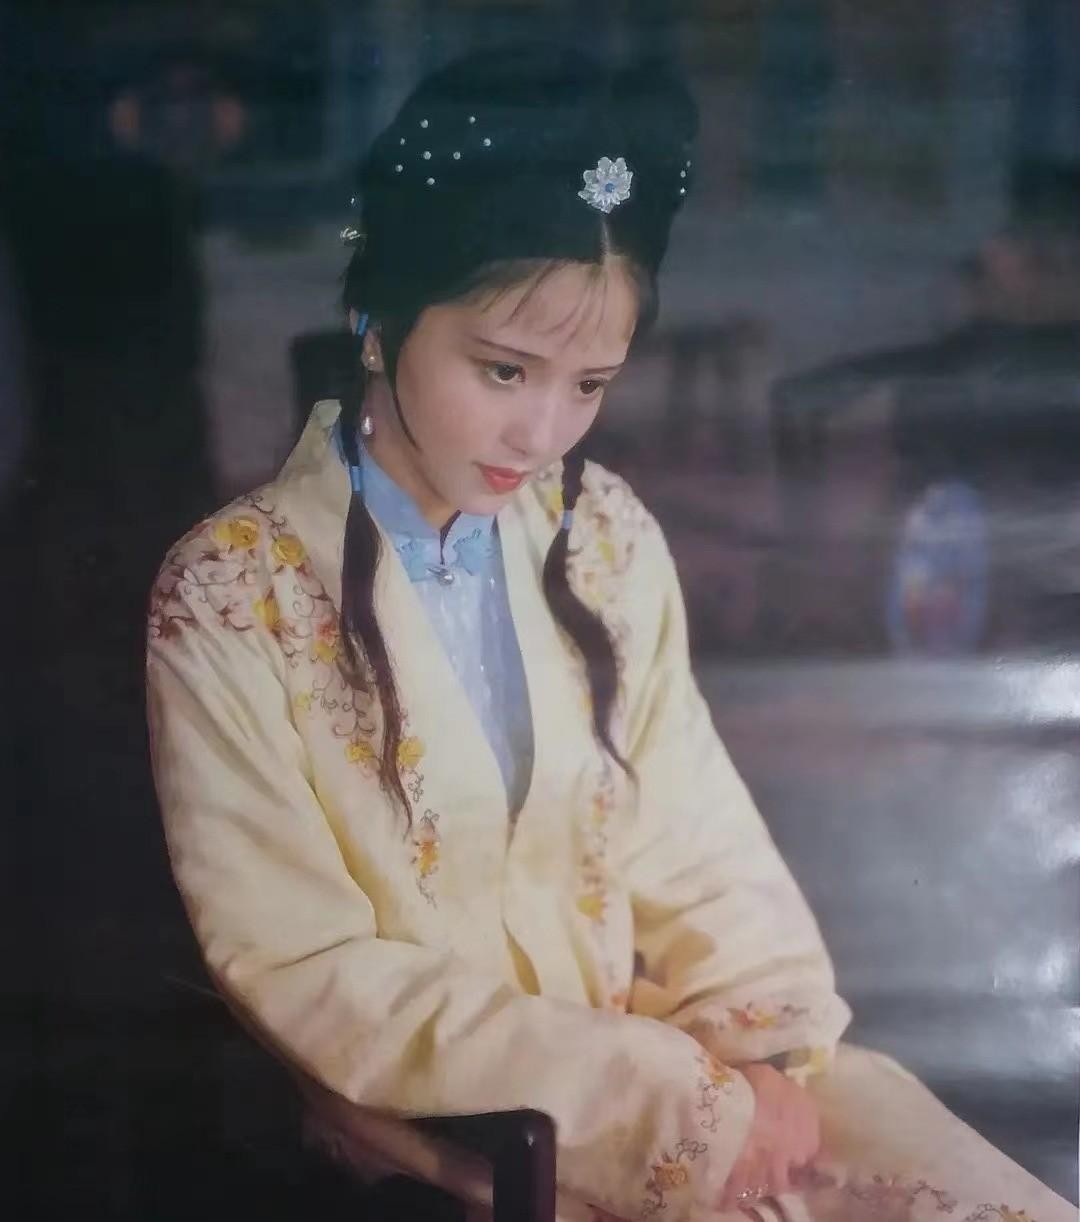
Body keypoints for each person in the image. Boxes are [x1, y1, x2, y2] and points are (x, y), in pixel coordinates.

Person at [145, 45, 1073, 1222]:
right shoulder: (232, 593)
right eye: (503, 370)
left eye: (588, 384)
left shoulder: (603, 536)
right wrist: (676, 1100)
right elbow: (306, 963)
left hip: (670, 1063)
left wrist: (760, 1056)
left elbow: (694, 833)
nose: (541, 433)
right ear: (377, 319)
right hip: (465, 1128)